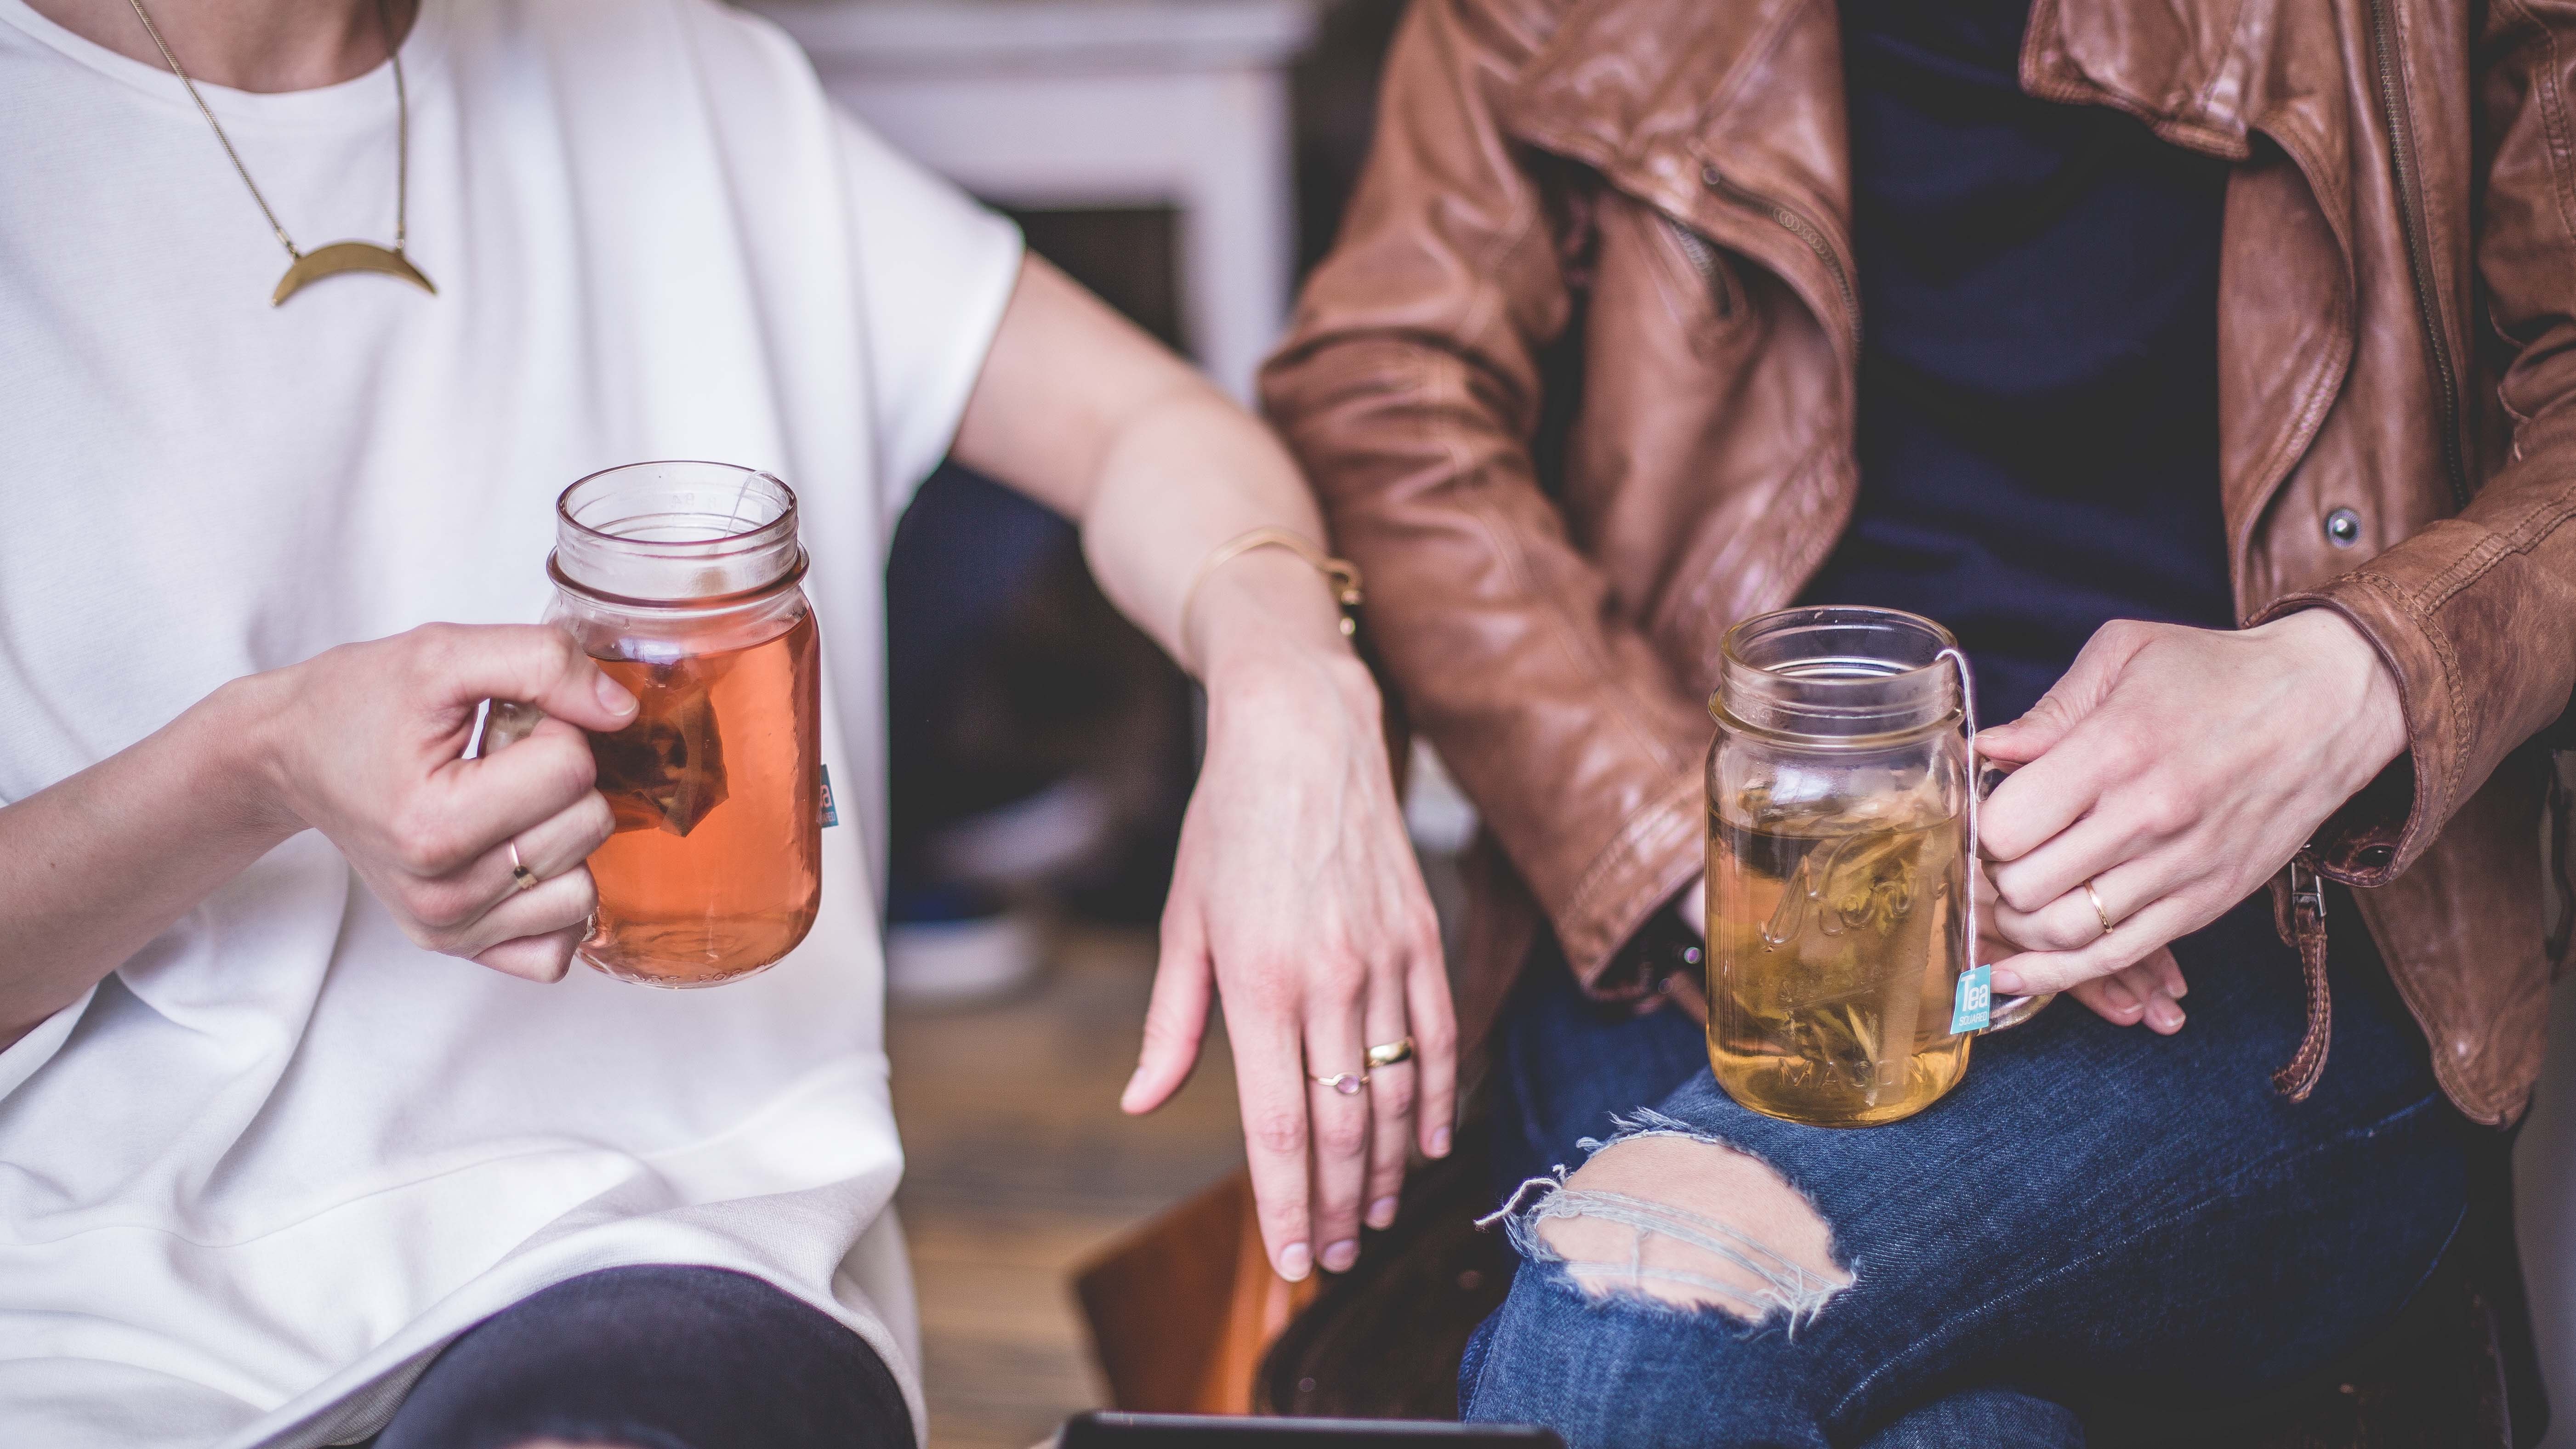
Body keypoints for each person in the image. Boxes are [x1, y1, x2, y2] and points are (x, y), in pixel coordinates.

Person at [0, 0, 1453, 1442]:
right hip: (95, 1318)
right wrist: (258, 764)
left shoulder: (684, 81)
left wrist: (1287, 675)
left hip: (654, 1248)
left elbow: (1149, 426)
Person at [1263, 0, 2575, 1442]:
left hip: (2277, 949)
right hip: (1712, 926)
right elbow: (1387, 391)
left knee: (1637, 1317)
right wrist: (1712, 852)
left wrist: (2344, 677)